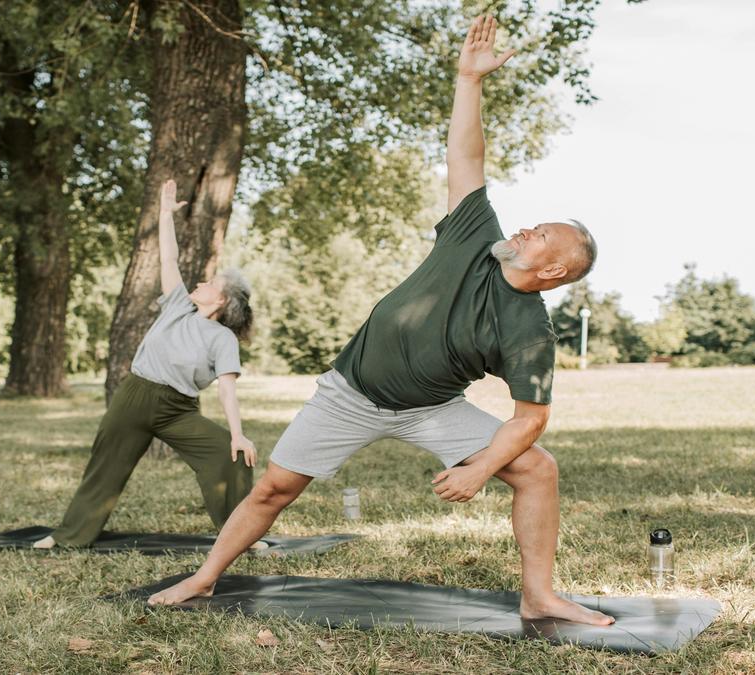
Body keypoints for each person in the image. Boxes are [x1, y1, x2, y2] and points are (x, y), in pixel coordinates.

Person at [148, 15, 611, 626]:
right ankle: (205, 579)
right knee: (274, 489)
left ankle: (540, 595)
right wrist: (468, 80)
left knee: (537, 469)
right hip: (351, 390)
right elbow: (465, 155)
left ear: (553, 271)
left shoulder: (529, 329)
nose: (527, 229)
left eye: (542, 235)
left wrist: (482, 467)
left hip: (430, 406)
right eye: (534, 223)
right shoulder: (477, 237)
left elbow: (531, 419)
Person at [33, 178, 256, 549]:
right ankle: (69, 536)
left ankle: (241, 537)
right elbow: (168, 258)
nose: (199, 282)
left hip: (178, 410)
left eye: (209, 282)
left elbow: (228, 390)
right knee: (105, 466)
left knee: (227, 453)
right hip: (135, 397)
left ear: (219, 301)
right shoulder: (177, 305)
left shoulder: (222, 339)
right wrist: (164, 214)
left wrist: (237, 433)